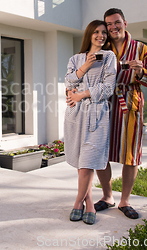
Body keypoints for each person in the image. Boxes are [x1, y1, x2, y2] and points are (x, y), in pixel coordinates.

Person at [94, 8, 147, 219]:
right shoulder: (102, 47)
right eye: (109, 24)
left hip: (129, 106)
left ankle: (125, 201)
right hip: (104, 106)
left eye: (117, 23)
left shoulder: (142, 49)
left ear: (125, 23)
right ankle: (107, 197)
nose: (113, 27)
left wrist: (140, 72)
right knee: (101, 154)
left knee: (130, 156)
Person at [64, 20, 117, 225]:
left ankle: (78, 202)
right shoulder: (76, 58)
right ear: (89, 34)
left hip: (97, 115)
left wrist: (81, 94)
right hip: (75, 115)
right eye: (96, 32)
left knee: (88, 163)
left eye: (104, 32)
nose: (101, 36)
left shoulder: (109, 57)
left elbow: (107, 88)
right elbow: (69, 82)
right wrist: (86, 65)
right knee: (81, 163)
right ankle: (91, 205)